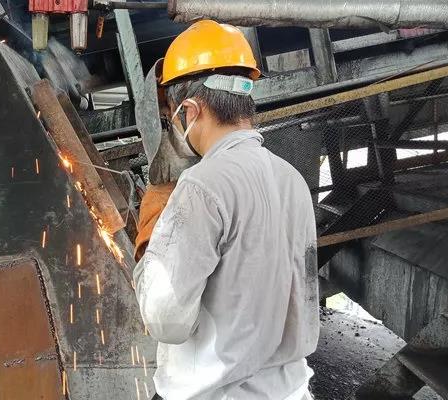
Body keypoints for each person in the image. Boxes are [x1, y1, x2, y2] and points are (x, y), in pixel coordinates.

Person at [133, 20, 319, 400]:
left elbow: (164, 318)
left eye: (174, 118)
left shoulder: (201, 186)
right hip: (288, 391)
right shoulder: (292, 180)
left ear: (190, 110)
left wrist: (150, 258)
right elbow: (302, 298)